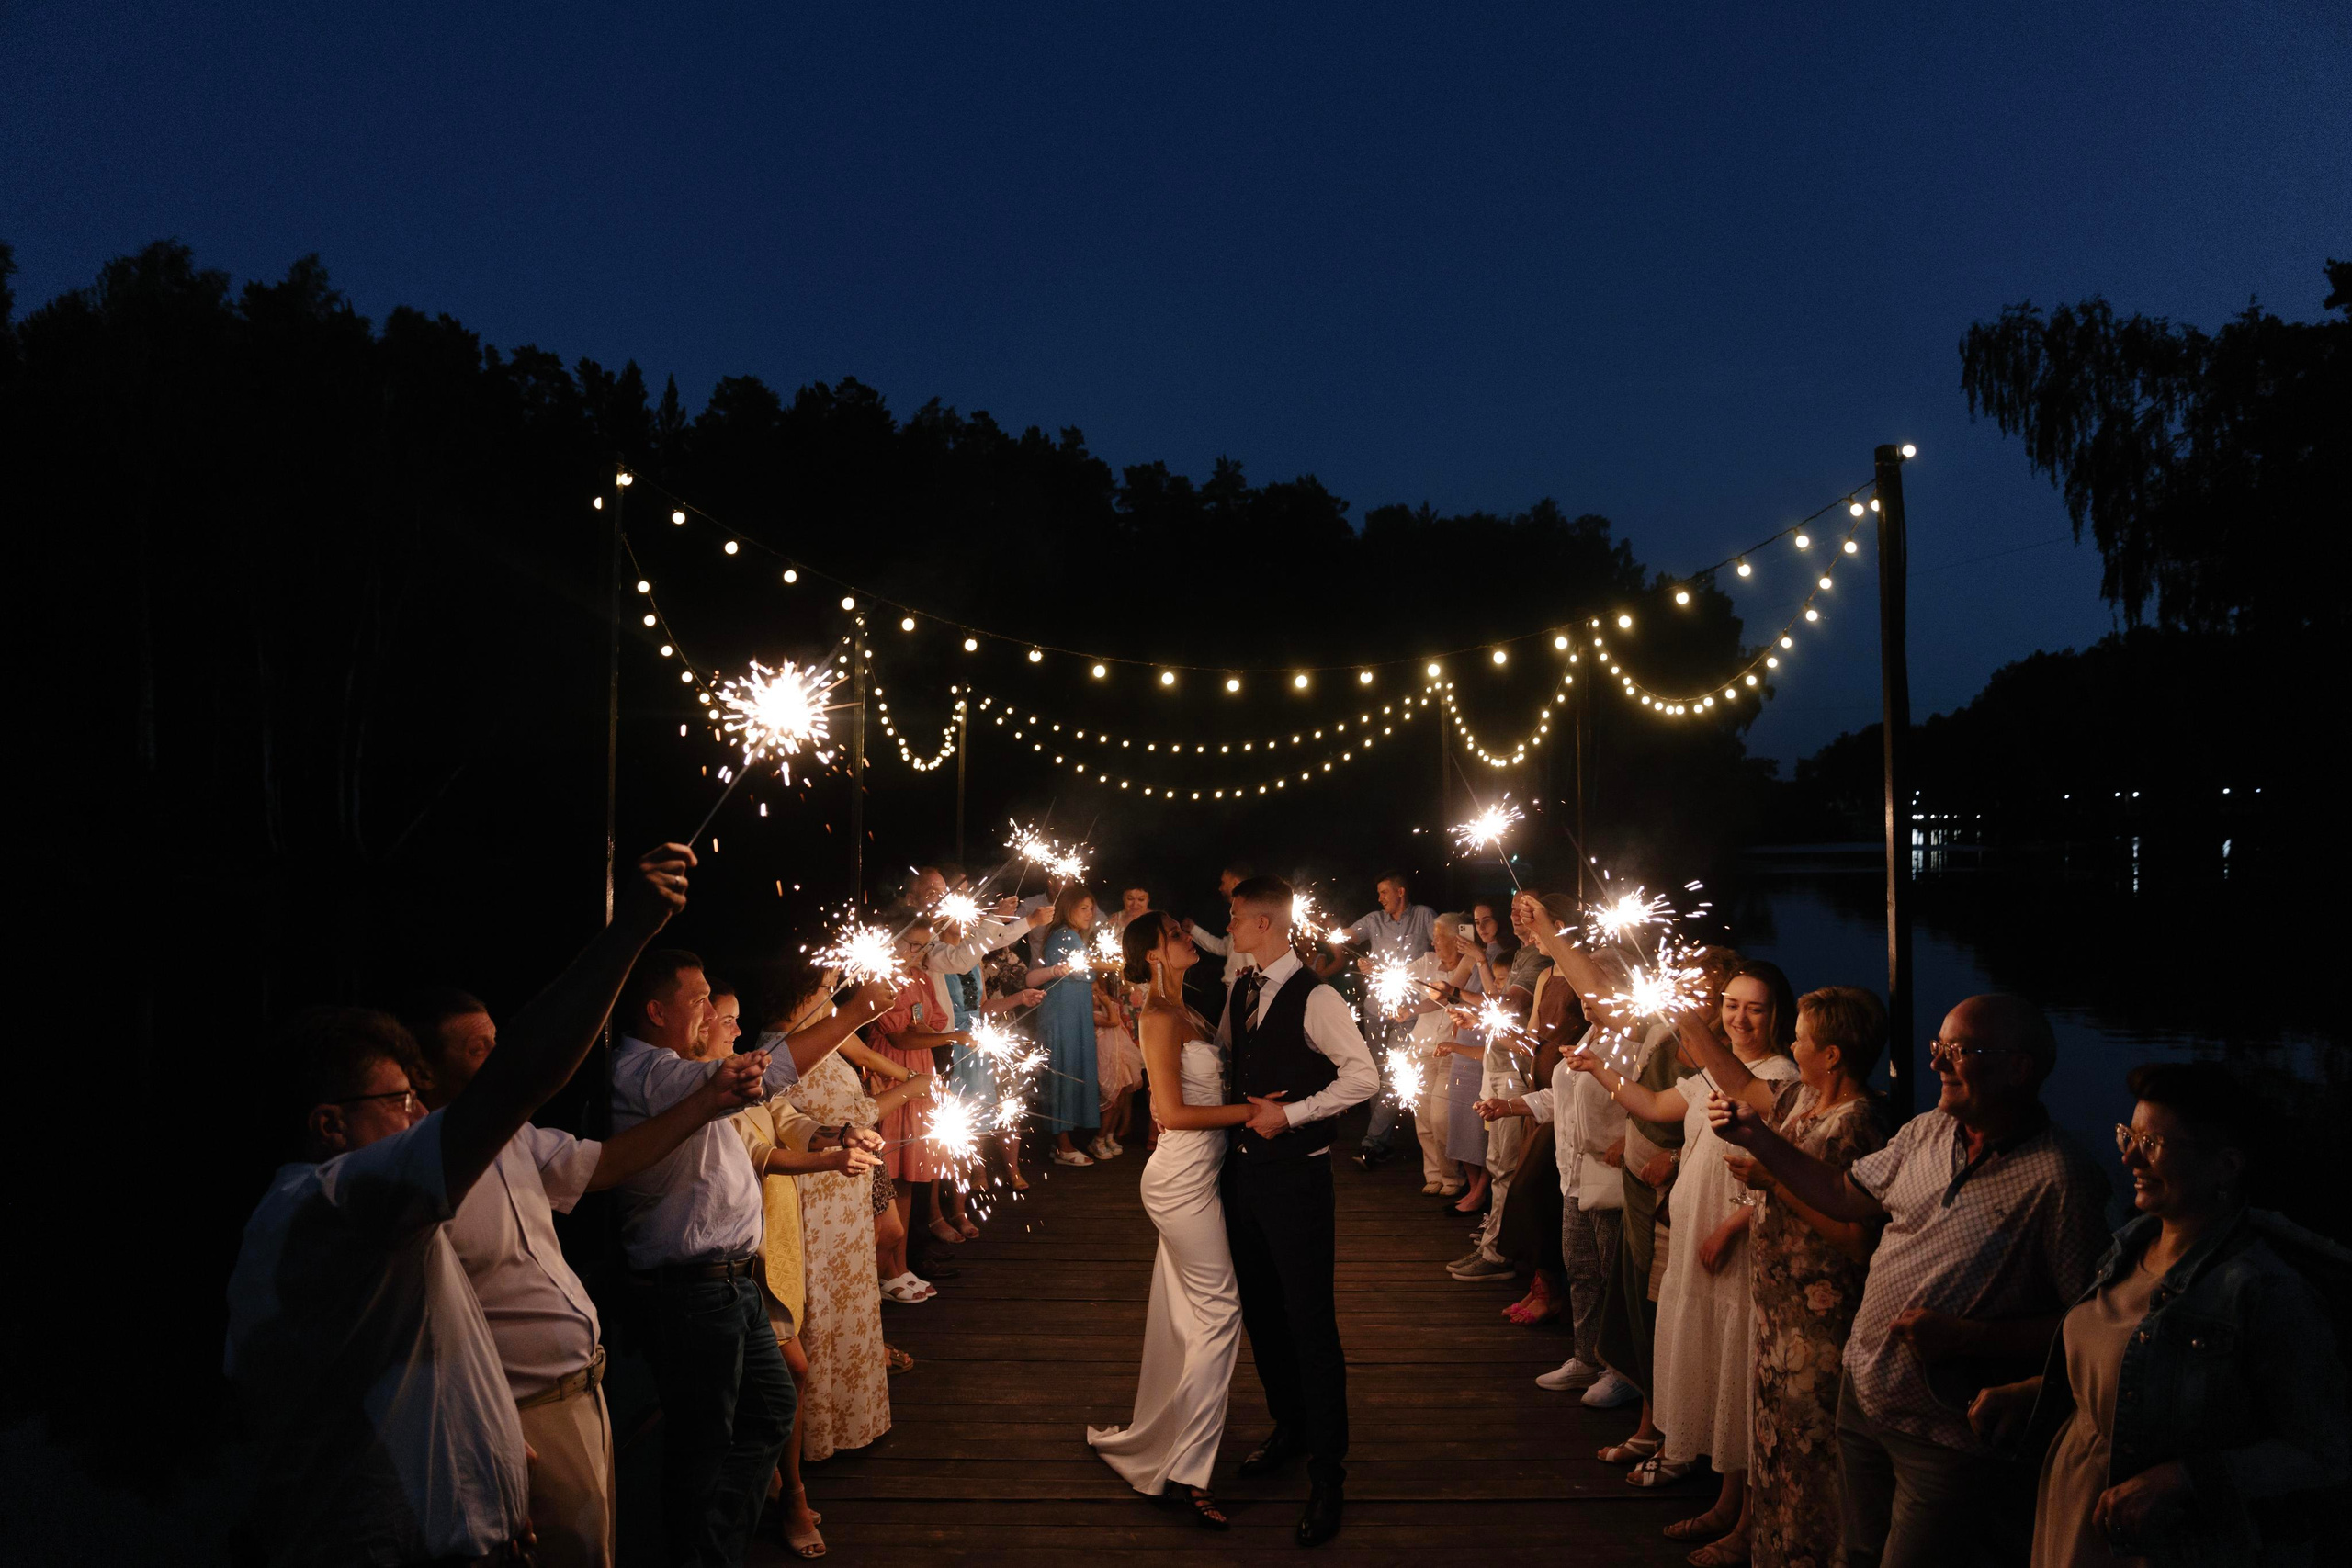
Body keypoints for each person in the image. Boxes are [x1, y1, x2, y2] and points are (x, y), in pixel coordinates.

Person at [223, 843, 692, 1568]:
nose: (415, 1115)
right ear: (328, 1123)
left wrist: (495, 1466)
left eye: (416, 1098)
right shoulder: (333, 1204)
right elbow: (517, 1082)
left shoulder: (393, 1224)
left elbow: (434, 1369)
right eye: (396, 1100)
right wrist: (625, 934)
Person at [1713, 993, 2111, 1568]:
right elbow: (1843, 1196)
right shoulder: (1927, 1131)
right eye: (1937, 1047)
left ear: (2020, 1069)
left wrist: (1971, 1339)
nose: (1937, 1065)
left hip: (1947, 1431)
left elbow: (2088, 1326)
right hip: (1865, 1394)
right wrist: (1761, 1139)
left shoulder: (2061, 1178)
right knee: (1858, 1552)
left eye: (1961, 1050)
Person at [402, 987, 767, 1568]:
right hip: (515, 1419)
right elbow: (415, 1333)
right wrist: (475, 1433)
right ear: (423, 1074)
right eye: (479, 1050)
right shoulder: (415, 1180)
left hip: (579, 1397)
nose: (502, 1060)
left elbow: (605, 1163)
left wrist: (709, 1101)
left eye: (502, 1043)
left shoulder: (516, 1138)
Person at [1969, 1061, 2351, 1567]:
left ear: (2227, 1166)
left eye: (2153, 1144)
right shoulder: (2127, 1250)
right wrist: (2037, 1390)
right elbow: (2135, 1373)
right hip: (2073, 1503)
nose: (2127, 1156)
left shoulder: (2262, 1292)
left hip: (2160, 1541)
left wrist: (2181, 1479)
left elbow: (2323, 1451)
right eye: (2129, 1134)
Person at [609, 946, 895, 1568]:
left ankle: (717, 1545)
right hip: (691, 1291)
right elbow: (763, 1084)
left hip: (734, 1282)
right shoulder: (649, 1074)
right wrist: (855, 1011)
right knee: (703, 1446)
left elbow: (777, 1115)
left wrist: (835, 1137)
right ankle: (700, 1551)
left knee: (767, 1411)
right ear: (656, 1011)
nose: (716, 1012)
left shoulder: (686, 1068)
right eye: (701, 999)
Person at [1572, 960, 1800, 1565]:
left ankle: (1745, 1516)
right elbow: (1653, 1101)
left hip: (1737, 1237)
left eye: (1754, 1007)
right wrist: (1600, 1070)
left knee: (1740, 1368)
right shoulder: (1712, 1073)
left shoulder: (1779, 1077)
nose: (1740, 1017)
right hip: (1696, 1228)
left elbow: (1793, 1166)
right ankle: (1726, 1501)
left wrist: (1733, 1224)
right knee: (1716, 1363)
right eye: (1731, 1005)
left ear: (1777, 1015)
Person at [1692, 987, 1891, 1568]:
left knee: (1816, 1462)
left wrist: (1771, 1179)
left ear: (1832, 1055)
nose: (1793, 1043)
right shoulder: (1800, 1098)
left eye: (1802, 1036)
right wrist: (1687, 1022)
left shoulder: (1859, 1123)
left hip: (1821, 1326)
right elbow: (1738, 1083)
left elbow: (1856, 1237)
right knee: (1776, 1450)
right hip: (1778, 1315)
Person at [1216, 874, 1379, 1548]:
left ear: (1262, 922)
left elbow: (1364, 1075)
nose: (1226, 926)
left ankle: (1328, 1476)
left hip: (1300, 1182)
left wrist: (1295, 1113)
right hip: (1244, 1178)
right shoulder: (1241, 987)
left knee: (1311, 1324)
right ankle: (1290, 1424)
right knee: (1262, 1313)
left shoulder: (1317, 995)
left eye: (1232, 917)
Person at [1086, 912, 1260, 1527]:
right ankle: (1189, 1469)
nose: (1192, 936)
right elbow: (1172, 1112)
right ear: (1156, 951)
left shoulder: (1190, 1009)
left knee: (1185, 1312)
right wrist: (1252, 1111)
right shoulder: (1157, 1017)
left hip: (1200, 1175)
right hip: (1181, 1180)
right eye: (1179, 933)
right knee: (1221, 1312)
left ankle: (1159, 1437)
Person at [726, 985, 885, 1563]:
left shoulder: (742, 1073)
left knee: (780, 1378)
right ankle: (786, 1494)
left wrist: (841, 1135)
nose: (733, 1033)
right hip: (736, 1255)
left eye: (734, 1021)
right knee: (785, 1375)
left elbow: (785, 1117)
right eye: (722, 1021)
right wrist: (832, 1158)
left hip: (772, 1246)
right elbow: (760, 1152)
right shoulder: (703, 1087)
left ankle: (778, 1486)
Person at [769, 965, 927, 1461]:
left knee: (851, 1303)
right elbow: (843, 1119)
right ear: (796, 995)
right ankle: (820, 1432)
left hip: (844, 1198)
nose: (831, 998)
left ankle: (854, 1418)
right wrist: (911, 1089)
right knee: (824, 1311)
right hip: (814, 1203)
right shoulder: (781, 1053)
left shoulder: (820, 1038)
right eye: (822, 990)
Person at [1335, 874, 1437, 1170]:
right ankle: (1383, 1143)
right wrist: (1361, 959)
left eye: (1384, 892)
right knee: (1377, 1074)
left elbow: (1442, 942)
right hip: (1377, 1008)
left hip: (1410, 1009)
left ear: (1400, 892)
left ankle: (1372, 1142)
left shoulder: (1424, 915)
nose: (1380, 898)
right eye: (1378, 893)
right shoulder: (1375, 919)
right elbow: (1348, 935)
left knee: (1395, 1073)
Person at [1025, 884, 1105, 1165]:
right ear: (1068, 908)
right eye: (1083, 907)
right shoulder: (1064, 935)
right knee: (1062, 1073)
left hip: (1071, 1014)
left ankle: (1063, 1141)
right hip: (1062, 1017)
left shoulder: (1070, 935)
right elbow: (1081, 973)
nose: (1090, 913)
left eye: (1091, 908)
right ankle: (1061, 1144)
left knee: (1067, 1070)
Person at [1180, 862, 1258, 993]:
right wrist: (1194, 930)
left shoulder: (1253, 913)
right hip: (1234, 988)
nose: (1220, 888)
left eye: (1223, 882)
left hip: (1247, 989)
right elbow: (1223, 948)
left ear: (1235, 883)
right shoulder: (1238, 914)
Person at [1091, 968, 1145, 1160]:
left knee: (1121, 1100)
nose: (1096, 995)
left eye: (1098, 990)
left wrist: (1108, 1001)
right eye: (1091, 992)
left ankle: (1109, 1136)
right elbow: (1113, 1022)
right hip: (1107, 1063)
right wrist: (1106, 1002)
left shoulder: (1108, 1006)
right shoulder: (1092, 1014)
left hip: (1120, 1059)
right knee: (1112, 1103)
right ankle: (1098, 1139)